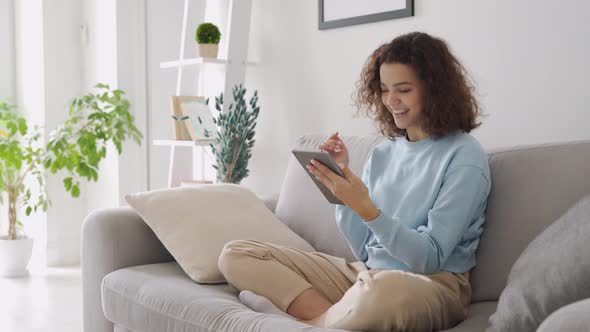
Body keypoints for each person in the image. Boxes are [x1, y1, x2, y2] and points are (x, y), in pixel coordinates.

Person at [218, 31, 491, 332]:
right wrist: (343, 190)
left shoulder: (464, 155)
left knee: (383, 292)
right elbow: (363, 250)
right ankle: (331, 317)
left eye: (403, 89)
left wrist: (368, 209)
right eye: (385, 89)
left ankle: (309, 321)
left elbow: (429, 258)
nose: (391, 101)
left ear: (435, 90)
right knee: (236, 254)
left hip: (430, 284)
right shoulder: (383, 153)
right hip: (367, 274)